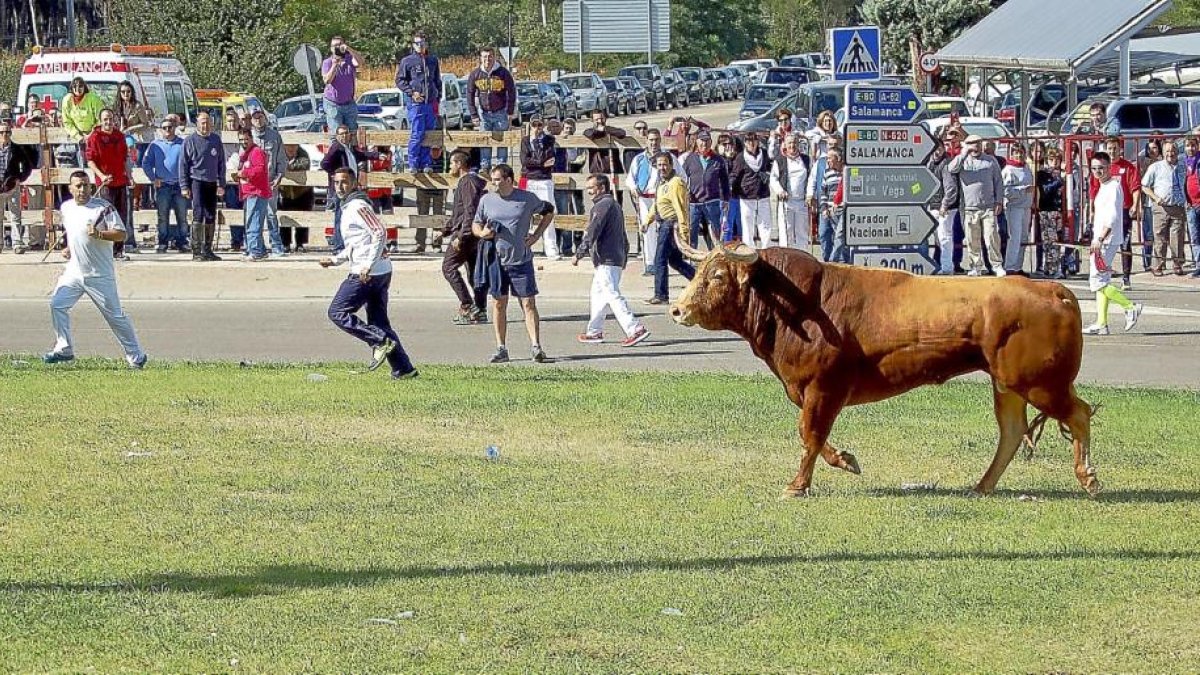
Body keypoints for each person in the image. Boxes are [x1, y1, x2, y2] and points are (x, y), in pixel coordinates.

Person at [318, 169, 416, 378]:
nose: (340, 186)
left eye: (344, 182)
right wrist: (336, 260)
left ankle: (379, 341)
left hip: (369, 272)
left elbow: (379, 232)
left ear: (354, 183)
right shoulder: (348, 206)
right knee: (379, 322)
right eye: (336, 182)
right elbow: (357, 243)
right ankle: (404, 369)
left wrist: (367, 265)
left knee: (337, 312)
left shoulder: (358, 205)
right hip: (377, 270)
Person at [43, 171, 147, 368]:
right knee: (57, 304)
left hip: (98, 274)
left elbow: (121, 234)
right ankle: (64, 348)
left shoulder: (103, 208)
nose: (82, 189)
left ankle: (136, 356)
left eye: (85, 185)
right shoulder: (66, 208)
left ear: (91, 186)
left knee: (115, 316)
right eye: (78, 186)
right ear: (70, 188)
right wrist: (69, 248)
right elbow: (75, 234)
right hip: (74, 272)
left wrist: (99, 234)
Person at [471, 163, 556, 364]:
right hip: (495, 261)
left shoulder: (527, 199)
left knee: (528, 302)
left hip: (521, 260)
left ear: (509, 179)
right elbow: (476, 223)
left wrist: (536, 236)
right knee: (499, 303)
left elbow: (549, 212)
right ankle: (501, 348)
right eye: (492, 179)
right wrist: (482, 233)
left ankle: (536, 346)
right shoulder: (487, 200)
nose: (494, 183)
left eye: (498, 179)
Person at [574, 173, 650, 347]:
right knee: (598, 295)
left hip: (607, 259)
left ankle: (635, 328)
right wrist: (624, 252)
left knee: (612, 295)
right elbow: (622, 233)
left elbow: (593, 231)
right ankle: (594, 331)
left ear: (601, 188)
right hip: (613, 258)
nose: (589, 193)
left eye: (591, 189)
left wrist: (580, 252)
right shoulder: (614, 205)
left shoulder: (602, 206)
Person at [1083, 152, 1143, 335]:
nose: (1097, 171)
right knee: (1102, 280)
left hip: (1106, 240)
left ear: (1109, 167)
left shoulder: (1113, 187)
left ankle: (1130, 306)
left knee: (1097, 280)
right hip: (1101, 239)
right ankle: (1102, 323)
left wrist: (1100, 238)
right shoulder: (1103, 186)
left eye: (1101, 167)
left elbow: (1113, 217)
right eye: (1094, 168)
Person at [441, 150, 489, 324]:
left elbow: (470, 211)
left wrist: (461, 236)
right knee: (474, 274)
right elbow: (460, 213)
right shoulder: (470, 181)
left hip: (466, 235)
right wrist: (445, 230)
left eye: (452, 163)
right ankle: (481, 309)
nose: (450, 167)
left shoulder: (467, 182)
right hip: (470, 233)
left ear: (460, 164)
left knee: (448, 267)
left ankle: (468, 305)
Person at [947, 133, 1004, 276]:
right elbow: (951, 169)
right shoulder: (962, 161)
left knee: (991, 236)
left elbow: (998, 182)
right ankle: (975, 266)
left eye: (978, 142)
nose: (975, 145)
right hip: (969, 208)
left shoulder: (990, 161)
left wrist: (999, 201)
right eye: (972, 143)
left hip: (988, 207)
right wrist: (963, 153)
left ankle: (996, 265)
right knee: (972, 239)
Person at [624, 127, 679, 273]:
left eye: (656, 140)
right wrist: (633, 188)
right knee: (647, 229)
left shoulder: (669, 158)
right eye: (651, 140)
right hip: (645, 199)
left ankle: (667, 259)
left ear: (660, 140)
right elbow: (630, 179)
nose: (654, 143)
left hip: (664, 199)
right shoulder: (639, 159)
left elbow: (682, 177)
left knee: (666, 229)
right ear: (647, 141)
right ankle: (650, 263)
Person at [321, 125, 383, 253]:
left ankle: (345, 244)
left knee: (347, 215)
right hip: (341, 188)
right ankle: (338, 246)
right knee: (340, 216)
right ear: (337, 136)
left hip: (350, 187)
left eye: (346, 133)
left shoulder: (348, 148)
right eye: (341, 134)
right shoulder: (336, 148)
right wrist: (335, 174)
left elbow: (362, 154)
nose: (344, 136)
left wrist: (377, 155)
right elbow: (324, 163)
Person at [644, 152, 696, 305]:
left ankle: (661, 295)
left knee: (659, 259)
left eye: (665, 164)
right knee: (675, 261)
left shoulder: (676, 183)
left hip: (671, 225)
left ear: (671, 165)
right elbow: (657, 205)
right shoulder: (662, 183)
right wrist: (647, 221)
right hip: (664, 223)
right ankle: (701, 282)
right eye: (659, 165)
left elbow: (681, 209)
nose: (662, 168)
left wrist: (684, 231)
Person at [1092, 137, 1141, 289]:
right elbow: (1094, 191)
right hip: (1104, 219)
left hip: (1122, 212)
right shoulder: (1101, 168)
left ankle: (1126, 277)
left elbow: (1135, 187)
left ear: (1120, 149)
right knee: (1099, 280)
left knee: (1125, 245)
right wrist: (1092, 211)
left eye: (1115, 148)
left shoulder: (1127, 168)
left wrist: (1134, 205)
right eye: (1109, 148)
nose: (1112, 151)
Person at [86, 109, 134, 258]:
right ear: (101, 121)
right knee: (107, 216)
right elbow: (90, 161)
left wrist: (130, 175)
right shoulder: (95, 137)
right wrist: (101, 175)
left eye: (111, 119)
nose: (108, 122)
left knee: (121, 216)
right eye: (105, 119)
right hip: (105, 183)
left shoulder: (119, 136)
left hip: (120, 181)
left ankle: (118, 250)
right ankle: (105, 249)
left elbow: (125, 158)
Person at [178, 111, 225, 261]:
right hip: (196, 180)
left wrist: (221, 183)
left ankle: (208, 249)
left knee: (211, 215)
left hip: (211, 182)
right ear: (197, 124)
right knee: (198, 214)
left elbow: (221, 163)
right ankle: (196, 250)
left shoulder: (216, 140)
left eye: (208, 122)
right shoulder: (189, 141)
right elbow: (183, 165)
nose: (205, 125)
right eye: (202, 122)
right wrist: (184, 186)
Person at [395, 30, 441, 173]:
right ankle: (414, 163)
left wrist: (437, 98)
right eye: (418, 43)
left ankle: (426, 163)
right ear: (413, 45)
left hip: (430, 103)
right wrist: (411, 92)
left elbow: (437, 80)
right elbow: (399, 80)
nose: (421, 46)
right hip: (416, 104)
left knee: (428, 134)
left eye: (423, 43)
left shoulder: (432, 60)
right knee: (417, 134)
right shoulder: (407, 61)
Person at [140, 117, 189, 253]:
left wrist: (187, 182)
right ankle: (162, 242)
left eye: (170, 127)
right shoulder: (155, 145)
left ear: (174, 128)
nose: (168, 130)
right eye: (165, 128)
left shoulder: (183, 143)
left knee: (182, 217)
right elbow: (145, 163)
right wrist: (153, 178)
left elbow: (190, 162)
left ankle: (183, 242)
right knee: (162, 216)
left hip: (180, 185)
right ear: (161, 130)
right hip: (163, 186)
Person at [1141, 139, 1188, 275]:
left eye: (1173, 151)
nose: (1170, 153)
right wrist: (1155, 198)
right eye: (1167, 151)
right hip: (1161, 207)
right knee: (1159, 237)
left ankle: (1177, 264)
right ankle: (1158, 265)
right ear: (1163, 152)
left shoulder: (1182, 167)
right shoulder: (1156, 167)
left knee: (1177, 237)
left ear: (1177, 152)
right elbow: (1144, 186)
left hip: (1178, 206)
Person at [230, 128, 278, 260]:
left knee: (253, 223)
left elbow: (259, 170)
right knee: (252, 221)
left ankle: (255, 251)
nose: (244, 142)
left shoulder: (256, 152)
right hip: (250, 193)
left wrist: (243, 173)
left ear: (251, 138)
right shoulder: (247, 154)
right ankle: (260, 250)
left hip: (256, 192)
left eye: (246, 139)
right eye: (241, 140)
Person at [465, 46, 516, 169]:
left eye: (490, 56)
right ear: (481, 58)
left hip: (500, 112)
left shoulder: (503, 73)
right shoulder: (475, 74)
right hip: (484, 113)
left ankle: (501, 166)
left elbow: (512, 92)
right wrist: (473, 114)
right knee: (485, 140)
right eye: (485, 56)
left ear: (494, 57)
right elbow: (469, 94)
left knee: (502, 141)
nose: (487, 59)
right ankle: (485, 166)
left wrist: (510, 111)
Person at [519, 115, 560, 259]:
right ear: (530, 125)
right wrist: (541, 164)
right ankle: (523, 246)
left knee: (549, 212)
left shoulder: (549, 140)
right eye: (534, 124)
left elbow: (549, 157)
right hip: (527, 179)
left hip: (543, 180)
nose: (537, 128)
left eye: (539, 125)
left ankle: (551, 248)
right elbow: (525, 161)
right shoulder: (525, 141)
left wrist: (537, 161)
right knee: (524, 213)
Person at [249, 109, 288, 257]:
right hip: (253, 183)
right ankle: (255, 245)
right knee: (254, 215)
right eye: (255, 118)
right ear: (251, 120)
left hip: (270, 182)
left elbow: (281, 159)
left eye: (260, 117)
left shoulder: (275, 136)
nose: (258, 120)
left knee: (271, 214)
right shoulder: (249, 137)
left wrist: (279, 177)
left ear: (265, 118)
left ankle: (276, 245)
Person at [682, 131, 729, 249]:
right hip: (694, 203)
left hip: (712, 202)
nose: (704, 144)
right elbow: (682, 178)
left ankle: (714, 256)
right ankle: (692, 260)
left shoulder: (718, 160)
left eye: (707, 141)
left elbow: (725, 182)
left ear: (711, 142)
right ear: (697, 142)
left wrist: (726, 200)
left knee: (714, 233)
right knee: (692, 233)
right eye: (702, 141)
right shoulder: (690, 159)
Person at [730, 132, 772, 249]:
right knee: (748, 226)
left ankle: (766, 249)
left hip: (763, 194)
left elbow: (770, 168)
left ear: (757, 142)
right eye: (748, 141)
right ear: (745, 143)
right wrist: (730, 186)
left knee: (765, 225)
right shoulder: (740, 157)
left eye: (754, 140)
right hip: (747, 197)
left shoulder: (764, 154)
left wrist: (767, 175)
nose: (752, 143)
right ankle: (749, 250)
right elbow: (734, 175)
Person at [769, 133, 811, 251]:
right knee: (786, 232)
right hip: (786, 202)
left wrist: (809, 194)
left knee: (802, 232)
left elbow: (811, 178)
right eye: (790, 143)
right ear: (785, 145)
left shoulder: (806, 160)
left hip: (802, 202)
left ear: (798, 144)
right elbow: (773, 178)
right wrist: (780, 191)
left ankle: (803, 258)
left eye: (794, 143)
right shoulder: (780, 160)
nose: (792, 145)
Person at [807, 135, 846, 261]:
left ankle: (834, 263)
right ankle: (826, 260)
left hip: (841, 210)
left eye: (830, 158)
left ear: (838, 158)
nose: (827, 161)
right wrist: (823, 208)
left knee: (839, 237)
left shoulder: (847, 171)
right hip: (827, 210)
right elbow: (822, 190)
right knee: (823, 235)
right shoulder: (827, 171)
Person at [0, 121, 35, 254]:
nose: (4, 135)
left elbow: (28, 165)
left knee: (15, 216)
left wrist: (19, 179)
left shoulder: (17, 148)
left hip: (11, 185)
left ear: (11, 133)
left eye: (7, 132)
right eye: (2, 132)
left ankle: (17, 243)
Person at [1001, 143, 1034, 275]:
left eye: (1021, 152)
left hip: (1026, 207)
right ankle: (1009, 266)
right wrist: (1023, 190)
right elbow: (1006, 191)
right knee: (1014, 237)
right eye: (1016, 153)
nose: (1019, 155)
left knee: (1023, 238)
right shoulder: (1008, 170)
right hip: (1013, 207)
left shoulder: (1026, 167)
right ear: (1012, 154)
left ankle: (1018, 266)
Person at [321, 36, 364, 135]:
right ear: (331, 48)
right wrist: (335, 64)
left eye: (339, 45)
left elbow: (360, 62)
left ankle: (351, 150)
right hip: (333, 104)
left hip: (349, 103)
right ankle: (336, 150)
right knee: (337, 133)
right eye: (334, 46)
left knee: (353, 132)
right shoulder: (327, 63)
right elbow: (327, 80)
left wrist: (349, 49)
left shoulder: (349, 60)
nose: (336, 48)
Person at [61, 77, 104, 148]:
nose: (77, 89)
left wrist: (90, 135)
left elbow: (100, 119)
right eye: (75, 86)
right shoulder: (66, 100)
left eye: (80, 86)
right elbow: (67, 121)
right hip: (77, 139)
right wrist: (78, 136)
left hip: (95, 136)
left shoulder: (93, 99)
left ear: (84, 87)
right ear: (71, 88)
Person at [582, 109, 626, 176]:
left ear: (605, 119)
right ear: (591, 120)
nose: (600, 121)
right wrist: (599, 131)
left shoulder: (610, 129)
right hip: (597, 168)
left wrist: (605, 130)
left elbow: (622, 133)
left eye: (602, 118)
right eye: (597, 119)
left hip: (615, 167)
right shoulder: (588, 131)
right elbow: (590, 135)